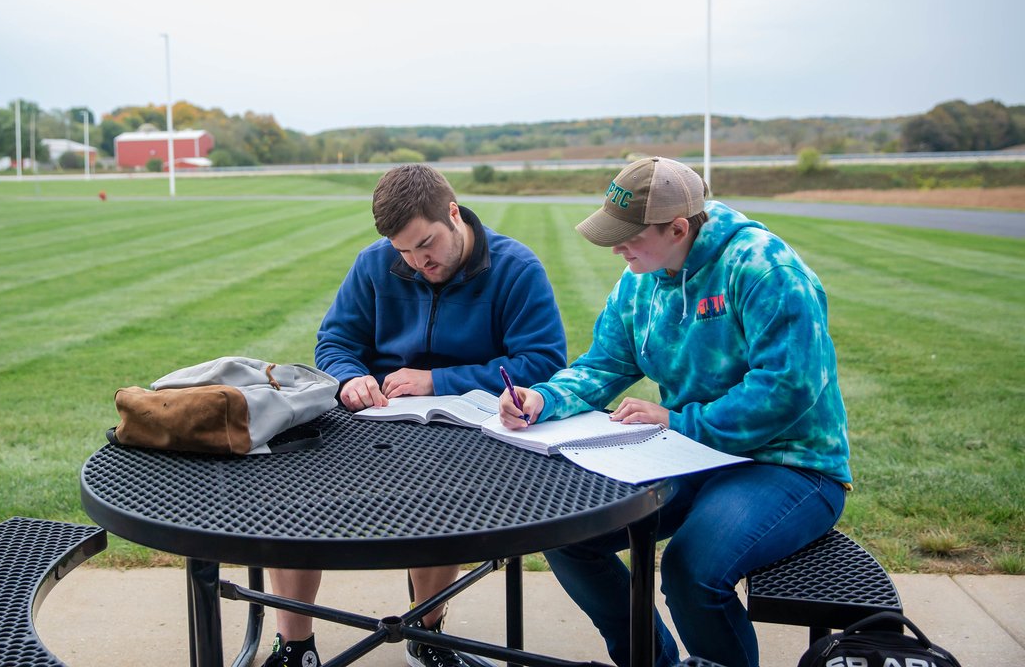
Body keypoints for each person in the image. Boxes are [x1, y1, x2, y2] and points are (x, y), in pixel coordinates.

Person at [497, 157, 851, 667]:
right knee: (567, 533)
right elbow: (604, 364)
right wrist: (543, 398)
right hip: (690, 454)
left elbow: (788, 390)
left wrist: (680, 423)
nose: (616, 247)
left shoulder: (765, 268)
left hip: (791, 464)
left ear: (679, 227)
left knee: (691, 569)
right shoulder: (640, 278)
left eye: (628, 236)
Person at [263, 164, 568, 667]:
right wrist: (348, 378)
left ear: (453, 213)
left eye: (425, 244)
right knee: (295, 483)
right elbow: (335, 342)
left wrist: (438, 382)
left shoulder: (516, 267)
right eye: (402, 250)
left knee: (441, 493)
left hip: (469, 429)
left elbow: (542, 362)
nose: (416, 260)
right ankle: (296, 647)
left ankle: (427, 633)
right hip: (373, 419)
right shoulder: (375, 264)